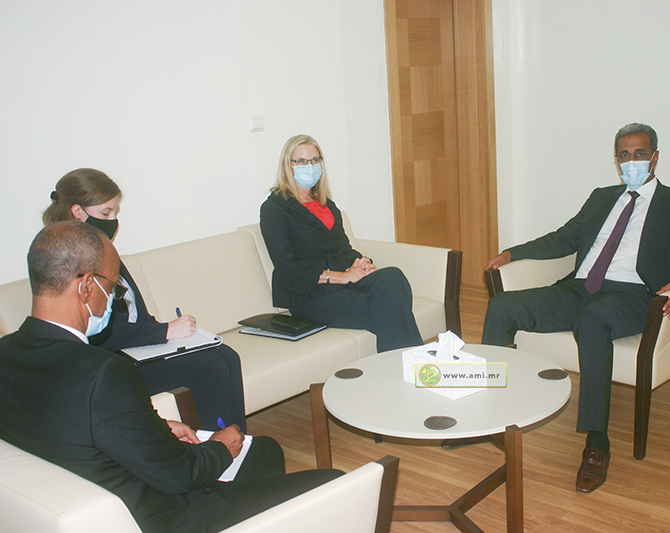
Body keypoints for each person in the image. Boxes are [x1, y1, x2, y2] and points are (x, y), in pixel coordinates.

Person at [0, 221, 342, 533]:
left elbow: (72, 423)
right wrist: (221, 447)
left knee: (263, 451)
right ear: (87, 286)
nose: (113, 300)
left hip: (90, 486)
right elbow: (181, 475)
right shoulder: (103, 371)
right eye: (113, 288)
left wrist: (155, 425)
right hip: (163, 515)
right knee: (335, 482)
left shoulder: (6, 353)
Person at [482, 123, 670, 493]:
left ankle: (597, 444)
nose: (632, 161)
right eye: (624, 155)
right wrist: (514, 252)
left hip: (633, 296)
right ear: (616, 160)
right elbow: (564, 238)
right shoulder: (601, 197)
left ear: (655, 157)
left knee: (591, 321)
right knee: (502, 306)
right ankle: (488, 411)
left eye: (640, 153)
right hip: (580, 288)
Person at [44, 169, 247, 431]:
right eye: (106, 213)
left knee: (225, 355)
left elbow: (136, 314)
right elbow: (94, 333)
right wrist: (164, 332)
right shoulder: (64, 261)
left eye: (115, 212)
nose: (113, 221)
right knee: (208, 367)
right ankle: (215, 445)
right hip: (110, 365)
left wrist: (168, 335)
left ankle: (238, 441)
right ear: (77, 212)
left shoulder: (102, 250)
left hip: (136, 352)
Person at [260, 134, 423, 352]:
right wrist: (343, 277)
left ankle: (403, 366)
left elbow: (343, 249)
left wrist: (361, 263)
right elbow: (288, 270)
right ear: (287, 166)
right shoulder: (274, 209)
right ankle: (415, 365)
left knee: (393, 277)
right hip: (309, 295)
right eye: (301, 161)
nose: (310, 166)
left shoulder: (326, 204)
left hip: (344, 283)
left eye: (315, 160)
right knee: (390, 306)